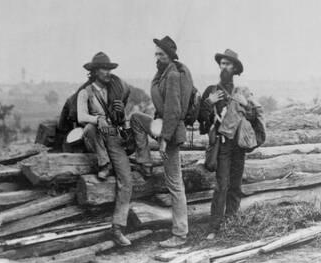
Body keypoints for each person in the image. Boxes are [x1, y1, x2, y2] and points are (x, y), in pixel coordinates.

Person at [130, 36, 194, 248]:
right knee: (136, 118)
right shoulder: (162, 74)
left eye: (162, 54)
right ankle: (144, 160)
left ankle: (180, 234)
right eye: (156, 54)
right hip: (161, 125)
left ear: (170, 56)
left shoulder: (173, 75)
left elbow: (174, 111)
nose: (157, 57)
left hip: (172, 133)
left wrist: (164, 140)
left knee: (175, 184)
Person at [198, 49, 265, 239]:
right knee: (221, 185)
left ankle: (231, 222)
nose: (223, 67)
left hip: (239, 145)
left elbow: (252, 118)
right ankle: (214, 227)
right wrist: (208, 104)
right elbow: (202, 121)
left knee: (235, 185)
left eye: (227, 64)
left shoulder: (242, 92)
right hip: (222, 145)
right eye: (222, 64)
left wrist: (246, 105)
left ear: (235, 68)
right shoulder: (212, 91)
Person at [76, 52, 134, 247]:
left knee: (126, 180)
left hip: (113, 136)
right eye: (104, 69)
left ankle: (117, 227)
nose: (108, 72)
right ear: (94, 71)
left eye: (110, 69)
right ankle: (103, 163)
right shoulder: (85, 92)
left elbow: (123, 111)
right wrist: (98, 119)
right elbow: (81, 116)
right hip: (96, 137)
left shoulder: (115, 90)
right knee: (90, 128)